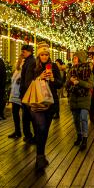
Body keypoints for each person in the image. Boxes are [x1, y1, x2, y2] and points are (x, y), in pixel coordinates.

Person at [31, 42, 62, 171]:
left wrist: (53, 79)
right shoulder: (33, 66)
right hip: (37, 101)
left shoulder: (53, 66)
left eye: (46, 54)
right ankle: (39, 156)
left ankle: (41, 155)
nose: (44, 57)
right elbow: (27, 82)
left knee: (44, 130)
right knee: (41, 127)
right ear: (39, 55)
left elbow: (61, 83)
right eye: (42, 54)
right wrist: (39, 77)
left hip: (50, 102)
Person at [66, 51, 93, 151]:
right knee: (76, 119)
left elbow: (90, 85)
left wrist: (79, 82)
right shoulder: (71, 70)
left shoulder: (88, 70)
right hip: (73, 97)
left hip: (84, 97)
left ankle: (85, 139)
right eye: (73, 58)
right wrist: (70, 81)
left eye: (76, 58)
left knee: (83, 118)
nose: (74, 60)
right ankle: (79, 135)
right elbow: (66, 84)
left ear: (81, 58)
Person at [19, 44, 36, 144]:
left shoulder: (30, 62)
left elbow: (28, 79)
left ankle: (30, 135)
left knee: (28, 116)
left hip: (27, 93)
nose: (22, 53)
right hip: (26, 92)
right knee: (27, 116)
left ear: (29, 52)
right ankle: (28, 135)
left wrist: (25, 92)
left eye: (24, 51)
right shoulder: (29, 61)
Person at [8, 54, 24, 139]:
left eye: (20, 59)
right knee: (15, 114)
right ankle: (17, 131)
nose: (18, 61)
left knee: (26, 115)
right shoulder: (17, 70)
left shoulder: (24, 68)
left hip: (21, 95)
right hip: (15, 95)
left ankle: (27, 133)